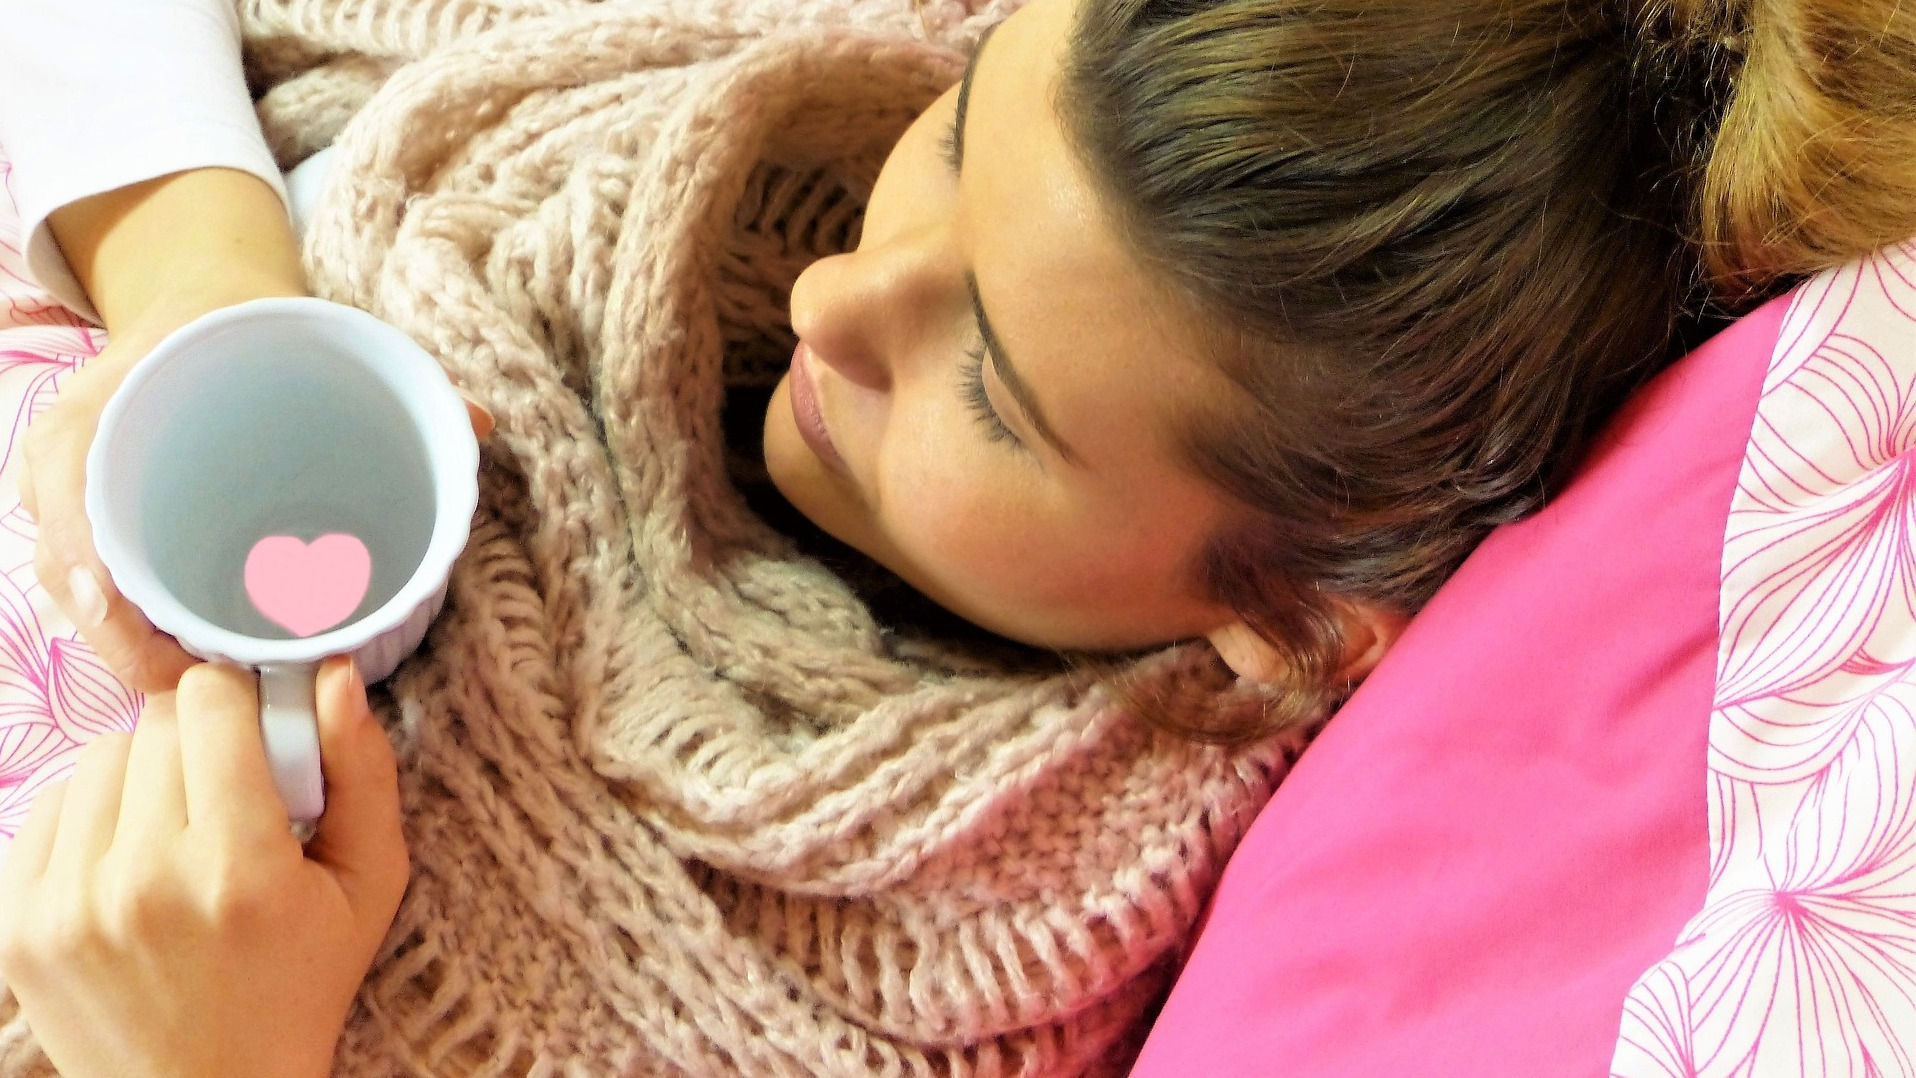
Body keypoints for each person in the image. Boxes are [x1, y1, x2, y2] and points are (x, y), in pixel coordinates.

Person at [2, 0, 1914, 1074]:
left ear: (1300, 626)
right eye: (960, 133)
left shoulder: (979, 1004)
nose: (845, 299)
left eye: (994, 385)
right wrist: (200, 287)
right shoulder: (761, 70)